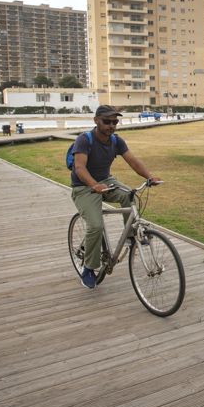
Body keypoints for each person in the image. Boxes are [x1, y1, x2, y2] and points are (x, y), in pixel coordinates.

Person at [70, 105, 159, 289]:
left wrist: (149, 176)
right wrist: (94, 185)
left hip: (106, 181)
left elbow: (132, 161)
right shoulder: (84, 140)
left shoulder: (116, 141)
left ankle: (131, 236)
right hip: (84, 187)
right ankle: (88, 268)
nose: (111, 125)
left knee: (129, 195)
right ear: (96, 120)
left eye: (115, 122)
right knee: (95, 225)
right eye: (107, 121)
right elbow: (79, 168)